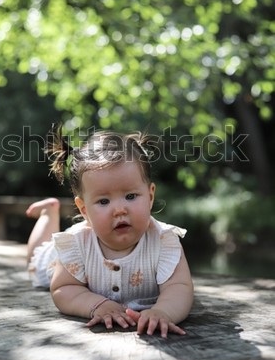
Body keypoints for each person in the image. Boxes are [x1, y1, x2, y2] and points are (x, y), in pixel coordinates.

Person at [26, 126, 194, 338]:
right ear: (84, 209)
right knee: (35, 260)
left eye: (131, 196)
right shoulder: (76, 245)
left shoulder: (163, 241)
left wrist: (163, 311)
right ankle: (48, 215)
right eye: (104, 201)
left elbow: (180, 287)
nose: (120, 210)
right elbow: (63, 289)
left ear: (150, 196)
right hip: (56, 259)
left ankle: (54, 213)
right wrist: (96, 304)